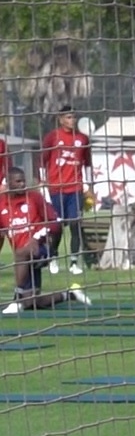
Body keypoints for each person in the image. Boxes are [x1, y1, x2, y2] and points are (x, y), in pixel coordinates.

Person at [1, 167, 91, 313]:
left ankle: (17, 298)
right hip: (23, 262)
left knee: (21, 254)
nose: (22, 184)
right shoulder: (1, 204)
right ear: (8, 183)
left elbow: (55, 222)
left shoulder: (34, 198)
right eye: (18, 181)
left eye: (23, 180)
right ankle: (69, 294)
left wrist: (37, 238)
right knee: (31, 303)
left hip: (42, 249)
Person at [40, 104, 93, 275]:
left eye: (74, 117)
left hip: (75, 188)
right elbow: (42, 160)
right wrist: (43, 183)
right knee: (57, 226)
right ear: (61, 119)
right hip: (56, 188)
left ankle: (74, 262)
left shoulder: (83, 139)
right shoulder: (52, 137)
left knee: (75, 224)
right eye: (69, 117)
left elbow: (87, 163)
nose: (72, 120)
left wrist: (88, 185)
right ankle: (53, 257)